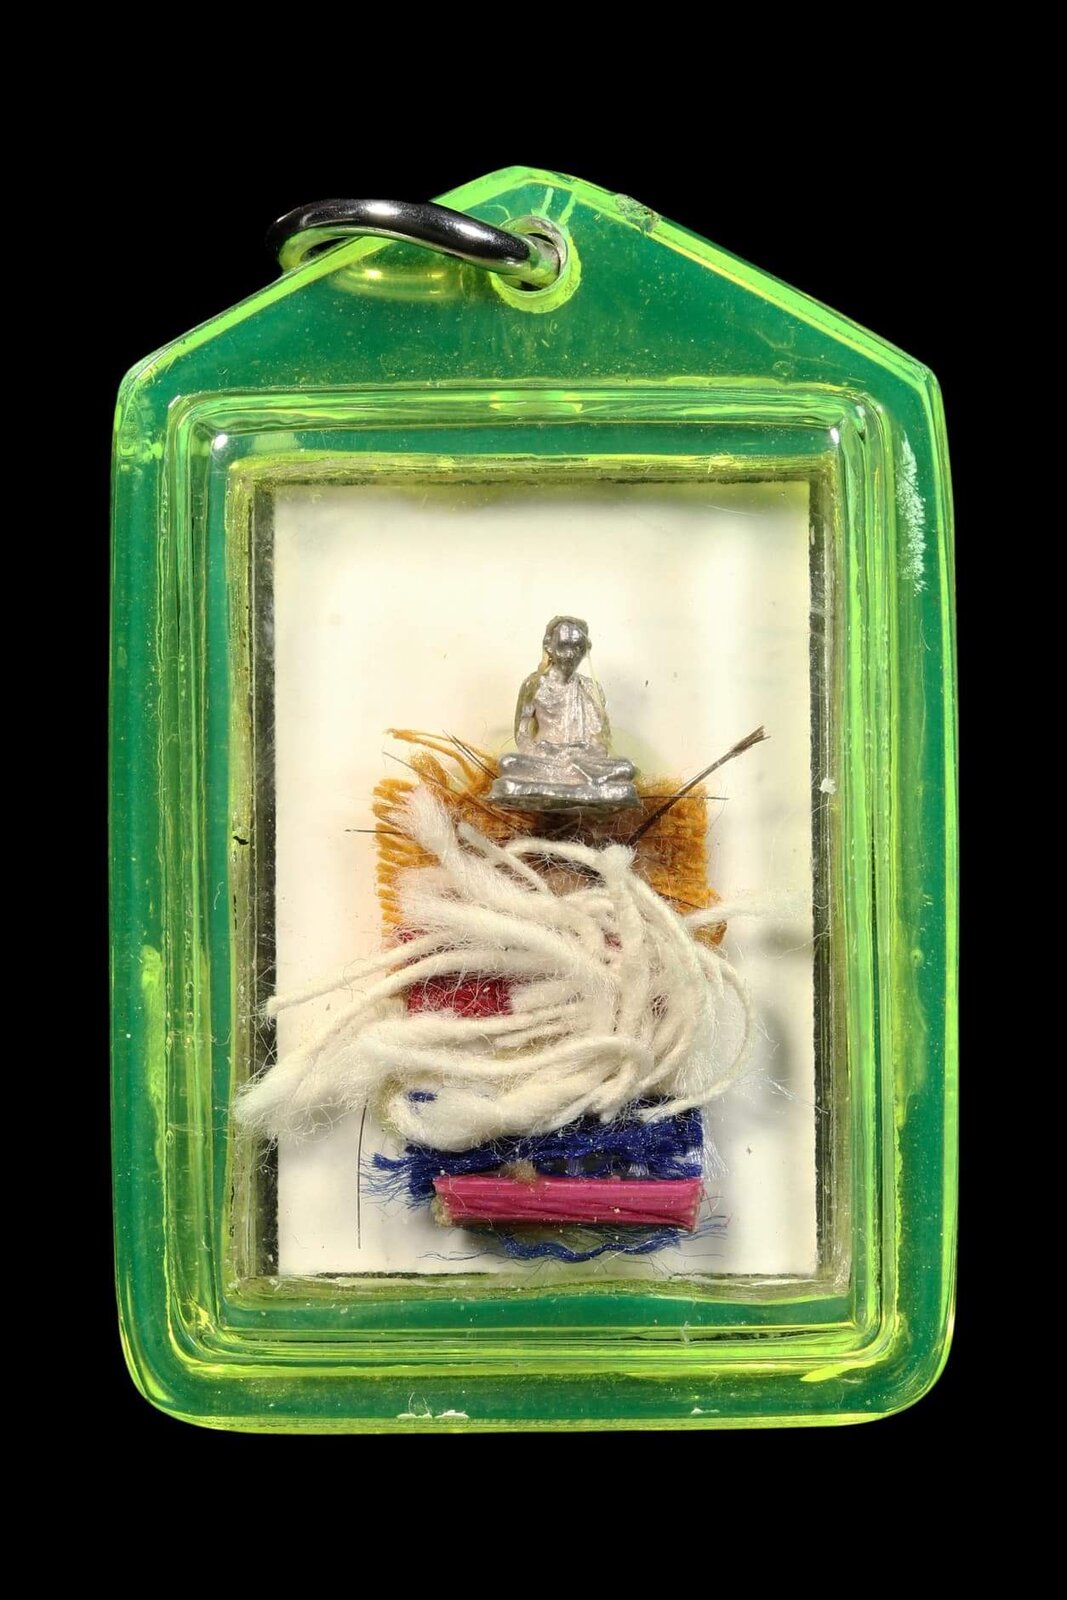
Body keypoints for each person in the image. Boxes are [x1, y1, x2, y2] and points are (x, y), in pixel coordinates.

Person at [490, 616, 639, 811]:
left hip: (582, 763)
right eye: (563, 646)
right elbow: (522, 735)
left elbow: (601, 743)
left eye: (577, 647)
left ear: (586, 649)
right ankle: (576, 789)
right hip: (546, 761)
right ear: (549, 646)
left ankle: (564, 789)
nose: (570, 654)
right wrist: (545, 751)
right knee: (509, 762)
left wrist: (580, 752)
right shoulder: (534, 685)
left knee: (626, 767)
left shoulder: (591, 688)